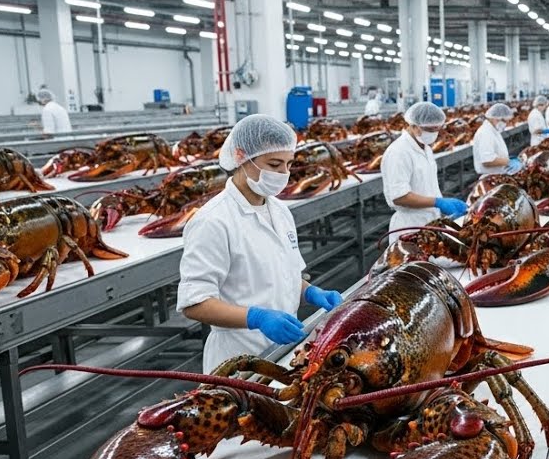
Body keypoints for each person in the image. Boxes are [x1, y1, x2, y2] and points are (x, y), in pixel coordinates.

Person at [177, 114, 343, 373]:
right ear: (242, 156)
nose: (283, 174)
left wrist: (311, 292)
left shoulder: (280, 211)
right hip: (238, 356)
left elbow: (282, 275)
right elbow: (194, 303)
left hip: (284, 350)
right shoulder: (213, 221)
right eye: (274, 164)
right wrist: (256, 318)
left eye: (288, 164)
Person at [380, 101, 468, 241]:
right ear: (414, 126)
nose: (434, 134)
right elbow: (399, 196)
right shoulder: (399, 152)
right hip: (410, 226)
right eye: (430, 130)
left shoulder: (425, 147)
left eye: (437, 129)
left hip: (430, 221)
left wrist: (440, 203)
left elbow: (425, 186)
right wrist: (437, 202)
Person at [472, 102, 517, 177]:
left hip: (497, 175)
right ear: (496, 118)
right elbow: (487, 161)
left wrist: (508, 159)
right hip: (490, 178)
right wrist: (509, 162)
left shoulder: (493, 130)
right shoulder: (486, 133)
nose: (507, 124)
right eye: (505, 121)